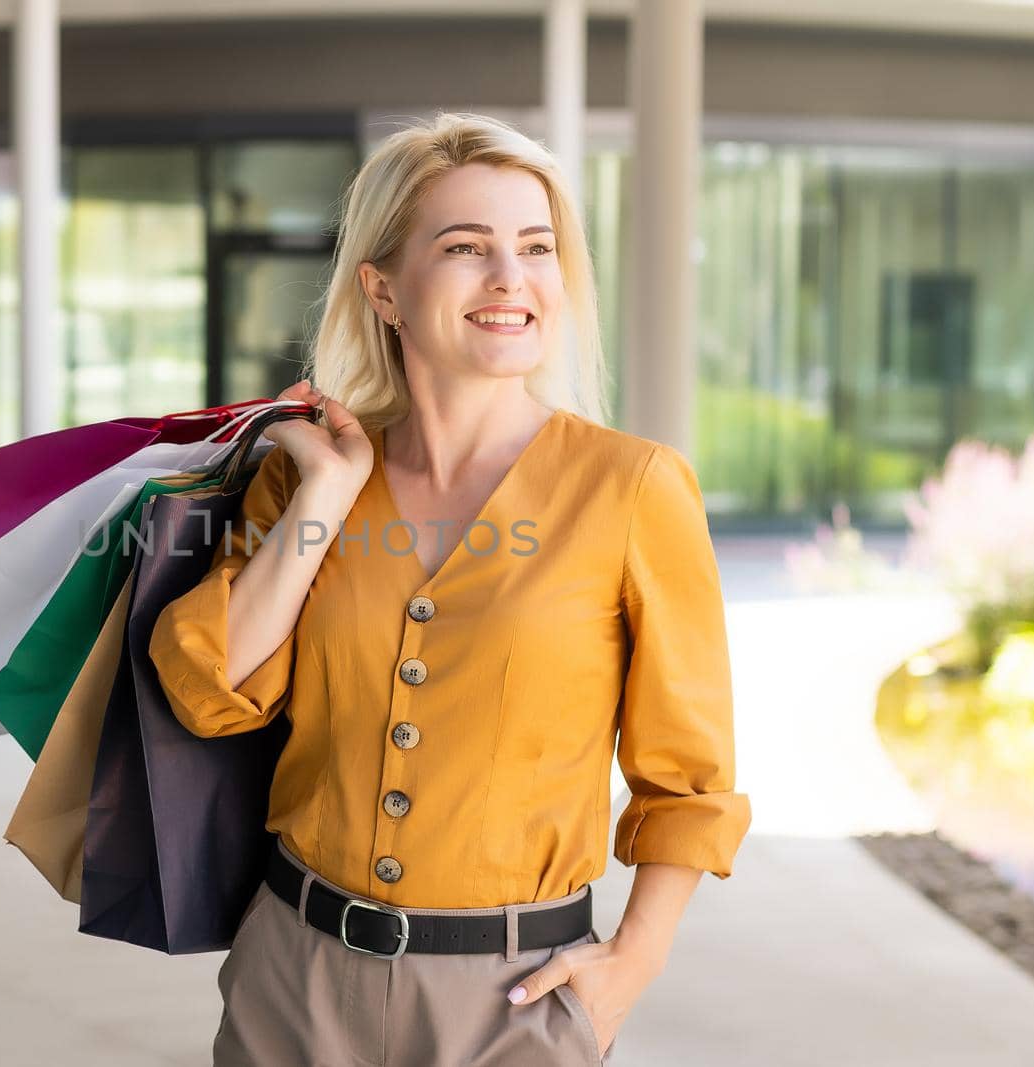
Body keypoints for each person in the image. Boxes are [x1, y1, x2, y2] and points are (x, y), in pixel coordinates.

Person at [148, 111, 750, 1067]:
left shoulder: (634, 487)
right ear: (383, 288)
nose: (511, 278)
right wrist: (328, 495)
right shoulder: (308, 478)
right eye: (467, 248)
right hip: (293, 982)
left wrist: (632, 961)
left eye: (537, 247)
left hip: (514, 1001)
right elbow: (209, 686)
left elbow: (689, 776)